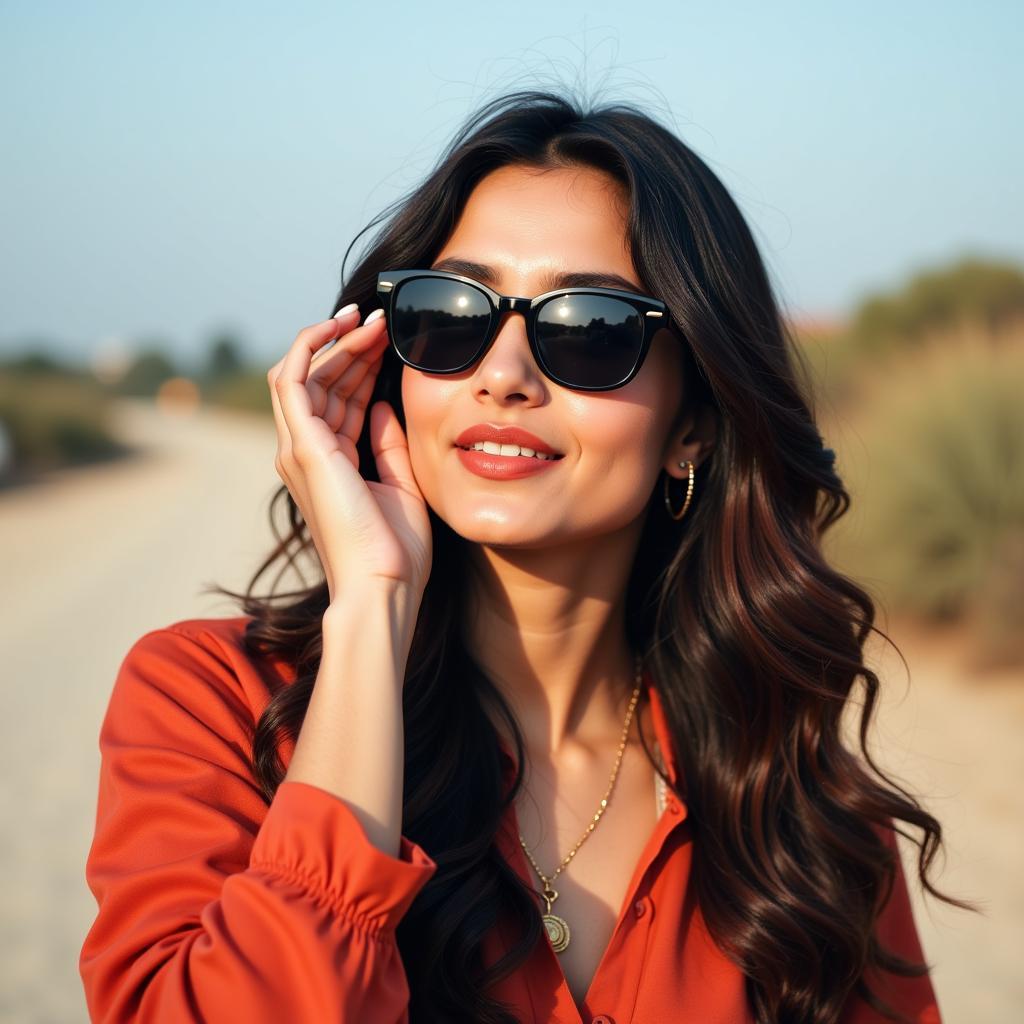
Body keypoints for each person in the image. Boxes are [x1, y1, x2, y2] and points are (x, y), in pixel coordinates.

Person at [80, 89, 972, 1023]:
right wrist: (373, 605)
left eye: (590, 328)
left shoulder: (786, 791)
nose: (503, 374)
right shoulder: (212, 702)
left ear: (694, 429)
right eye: (450, 316)